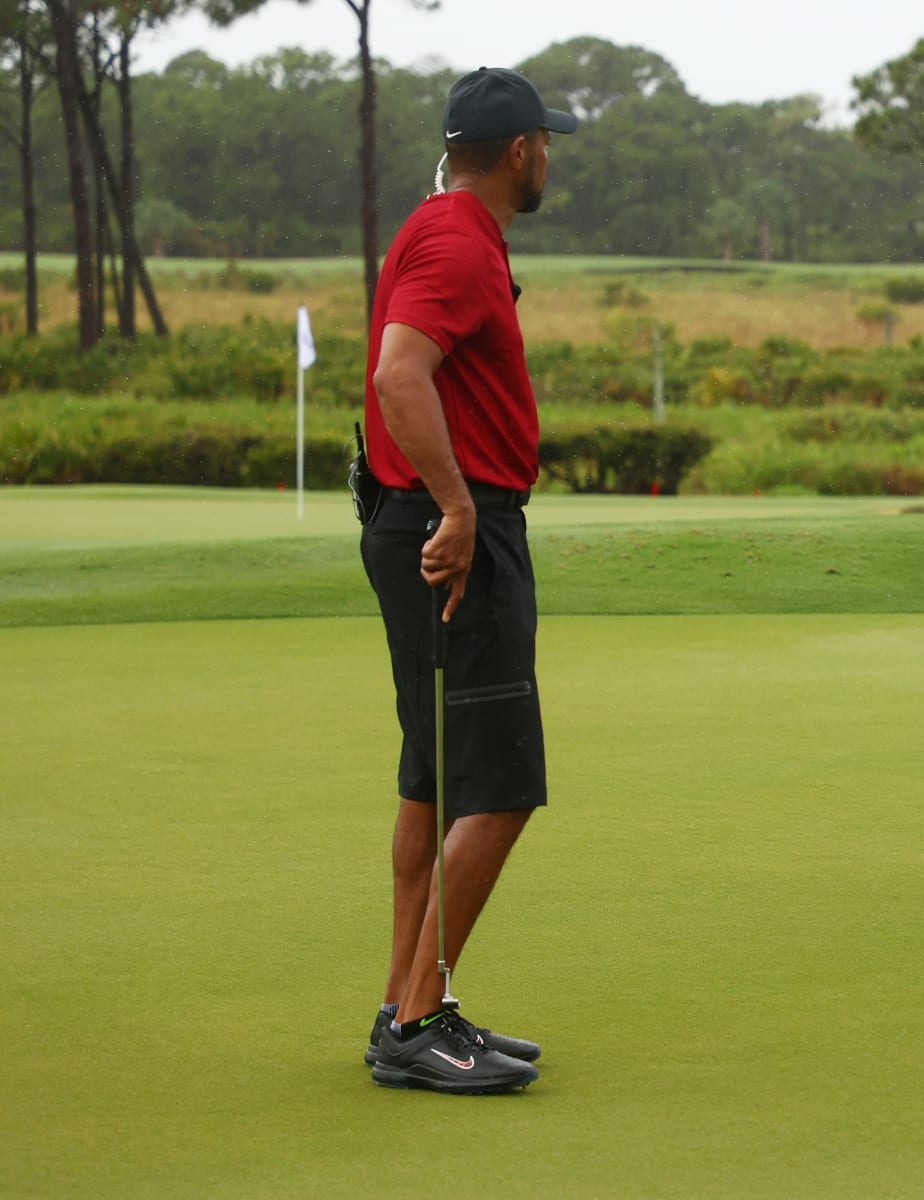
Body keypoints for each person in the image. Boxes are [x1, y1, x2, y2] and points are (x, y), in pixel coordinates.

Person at [357, 66, 577, 1091]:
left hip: (434, 523)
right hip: (458, 533)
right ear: (521, 150)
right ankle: (416, 1019)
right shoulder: (454, 238)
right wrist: (453, 508)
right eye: (547, 142)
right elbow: (399, 373)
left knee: (435, 777)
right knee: (499, 786)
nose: (551, 158)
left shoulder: (443, 226)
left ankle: (406, 1007)